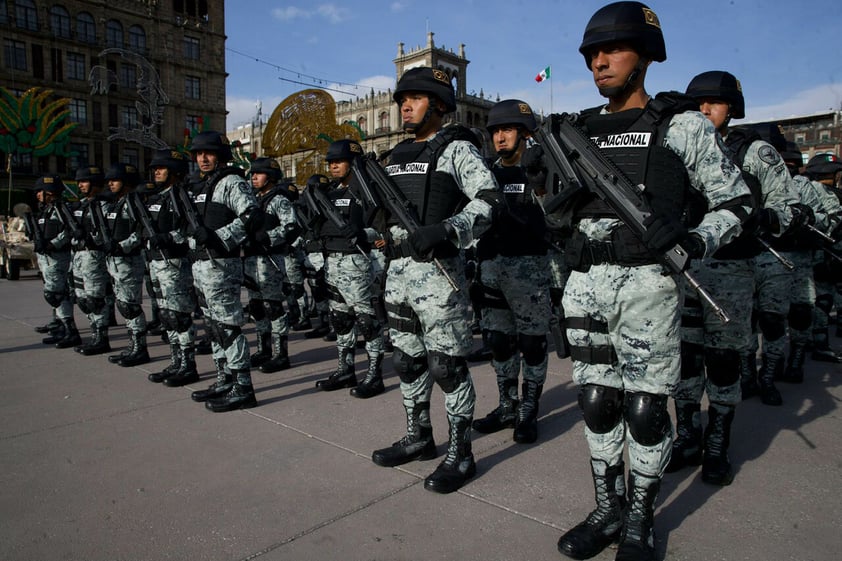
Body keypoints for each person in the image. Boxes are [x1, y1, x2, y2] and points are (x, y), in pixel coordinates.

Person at [550, 4, 752, 560]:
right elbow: (555, 213)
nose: (600, 61)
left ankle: (640, 517)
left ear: (645, 57)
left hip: (649, 285)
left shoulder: (680, 125)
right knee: (596, 400)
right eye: (592, 53)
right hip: (586, 280)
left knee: (644, 408)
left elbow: (737, 203)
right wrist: (557, 214)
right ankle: (607, 509)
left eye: (612, 49)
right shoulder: (577, 131)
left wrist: (692, 239)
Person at [369, 67, 505, 494]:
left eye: (416, 97)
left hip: (439, 276)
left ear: (440, 105)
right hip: (399, 274)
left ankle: (461, 453)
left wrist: (448, 230)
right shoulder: (392, 156)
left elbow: (490, 201)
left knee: (445, 366)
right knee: (406, 362)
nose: (405, 105)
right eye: (402, 98)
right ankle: (419, 436)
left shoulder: (456, 150)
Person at [667, 71, 799, 484]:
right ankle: (687, 435)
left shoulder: (755, 152)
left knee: (723, 362)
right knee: (686, 361)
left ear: (732, 108)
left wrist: (763, 216)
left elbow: (789, 205)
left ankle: (717, 442)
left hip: (733, 270)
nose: (705, 110)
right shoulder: (679, 145)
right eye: (699, 103)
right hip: (687, 269)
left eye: (715, 103)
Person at [471, 99, 552, 444]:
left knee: (533, 344)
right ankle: (507, 404)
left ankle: (528, 409)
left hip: (530, 268)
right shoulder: (486, 172)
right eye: (495, 132)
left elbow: (556, 219)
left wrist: (539, 186)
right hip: (492, 267)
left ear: (525, 134)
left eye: (507, 130)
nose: (499, 137)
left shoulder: (544, 170)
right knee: (498, 342)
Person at [183, 131, 262, 412]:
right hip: (201, 265)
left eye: (209, 153)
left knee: (228, 327)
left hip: (221, 265)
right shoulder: (201, 186)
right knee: (214, 327)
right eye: (198, 154)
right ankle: (224, 378)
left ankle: (243, 386)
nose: (203, 158)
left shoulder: (231, 182)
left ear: (220, 155)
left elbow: (252, 214)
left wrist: (220, 237)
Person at [313, 139, 387, 398]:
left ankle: (375, 374)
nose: (333, 167)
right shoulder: (331, 191)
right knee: (340, 320)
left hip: (358, 262)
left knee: (367, 321)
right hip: (333, 261)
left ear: (352, 163)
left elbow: (384, 227)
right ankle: (346, 369)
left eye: (339, 162)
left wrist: (363, 232)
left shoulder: (367, 190)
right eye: (331, 163)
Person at [141, 149, 199, 387]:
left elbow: (190, 230)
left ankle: (188, 364)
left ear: (175, 171)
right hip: (156, 262)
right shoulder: (157, 198)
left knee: (179, 316)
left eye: (161, 168)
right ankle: (176, 361)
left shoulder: (182, 197)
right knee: (166, 315)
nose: (156, 172)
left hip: (175, 263)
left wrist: (168, 238)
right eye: (155, 168)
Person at [243, 157, 297, 374]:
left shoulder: (279, 200)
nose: (253, 177)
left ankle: (280, 354)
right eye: (252, 174)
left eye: (259, 173)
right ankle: (263, 349)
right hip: (252, 260)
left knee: (273, 308)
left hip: (270, 260)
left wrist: (269, 237)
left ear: (271, 177)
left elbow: (292, 227)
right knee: (257, 307)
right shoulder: (254, 199)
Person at [101, 163, 150, 367]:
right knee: (123, 305)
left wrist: (121, 246)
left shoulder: (133, 203)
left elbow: (141, 231)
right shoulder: (116, 203)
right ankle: (133, 345)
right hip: (115, 262)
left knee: (130, 306)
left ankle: (140, 347)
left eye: (115, 180)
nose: (110, 184)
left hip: (128, 261)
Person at [801, 154, 842, 363]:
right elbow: (829, 222)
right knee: (822, 299)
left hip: (821, 253)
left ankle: (812, 339)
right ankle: (819, 343)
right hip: (823, 253)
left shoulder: (812, 189)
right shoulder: (822, 193)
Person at [30, 174, 80, 348]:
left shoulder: (62, 209)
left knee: (56, 294)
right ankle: (61, 328)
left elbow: (69, 231)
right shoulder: (47, 209)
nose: (37, 195)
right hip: (46, 258)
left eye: (40, 191)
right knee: (57, 294)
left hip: (58, 257)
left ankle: (70, 330)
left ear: (50, 192)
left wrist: (52, 244)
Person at [70, 165, 112, 356]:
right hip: (78, 256)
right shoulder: (79, 205)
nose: (80, 185)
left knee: (96, 300)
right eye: (79, 182)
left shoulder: (105, 205)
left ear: (95, 184)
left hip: (94, 256)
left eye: (85, 181)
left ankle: (101, 338)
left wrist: (92, 238)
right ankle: (94, 332)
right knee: (83, 300)